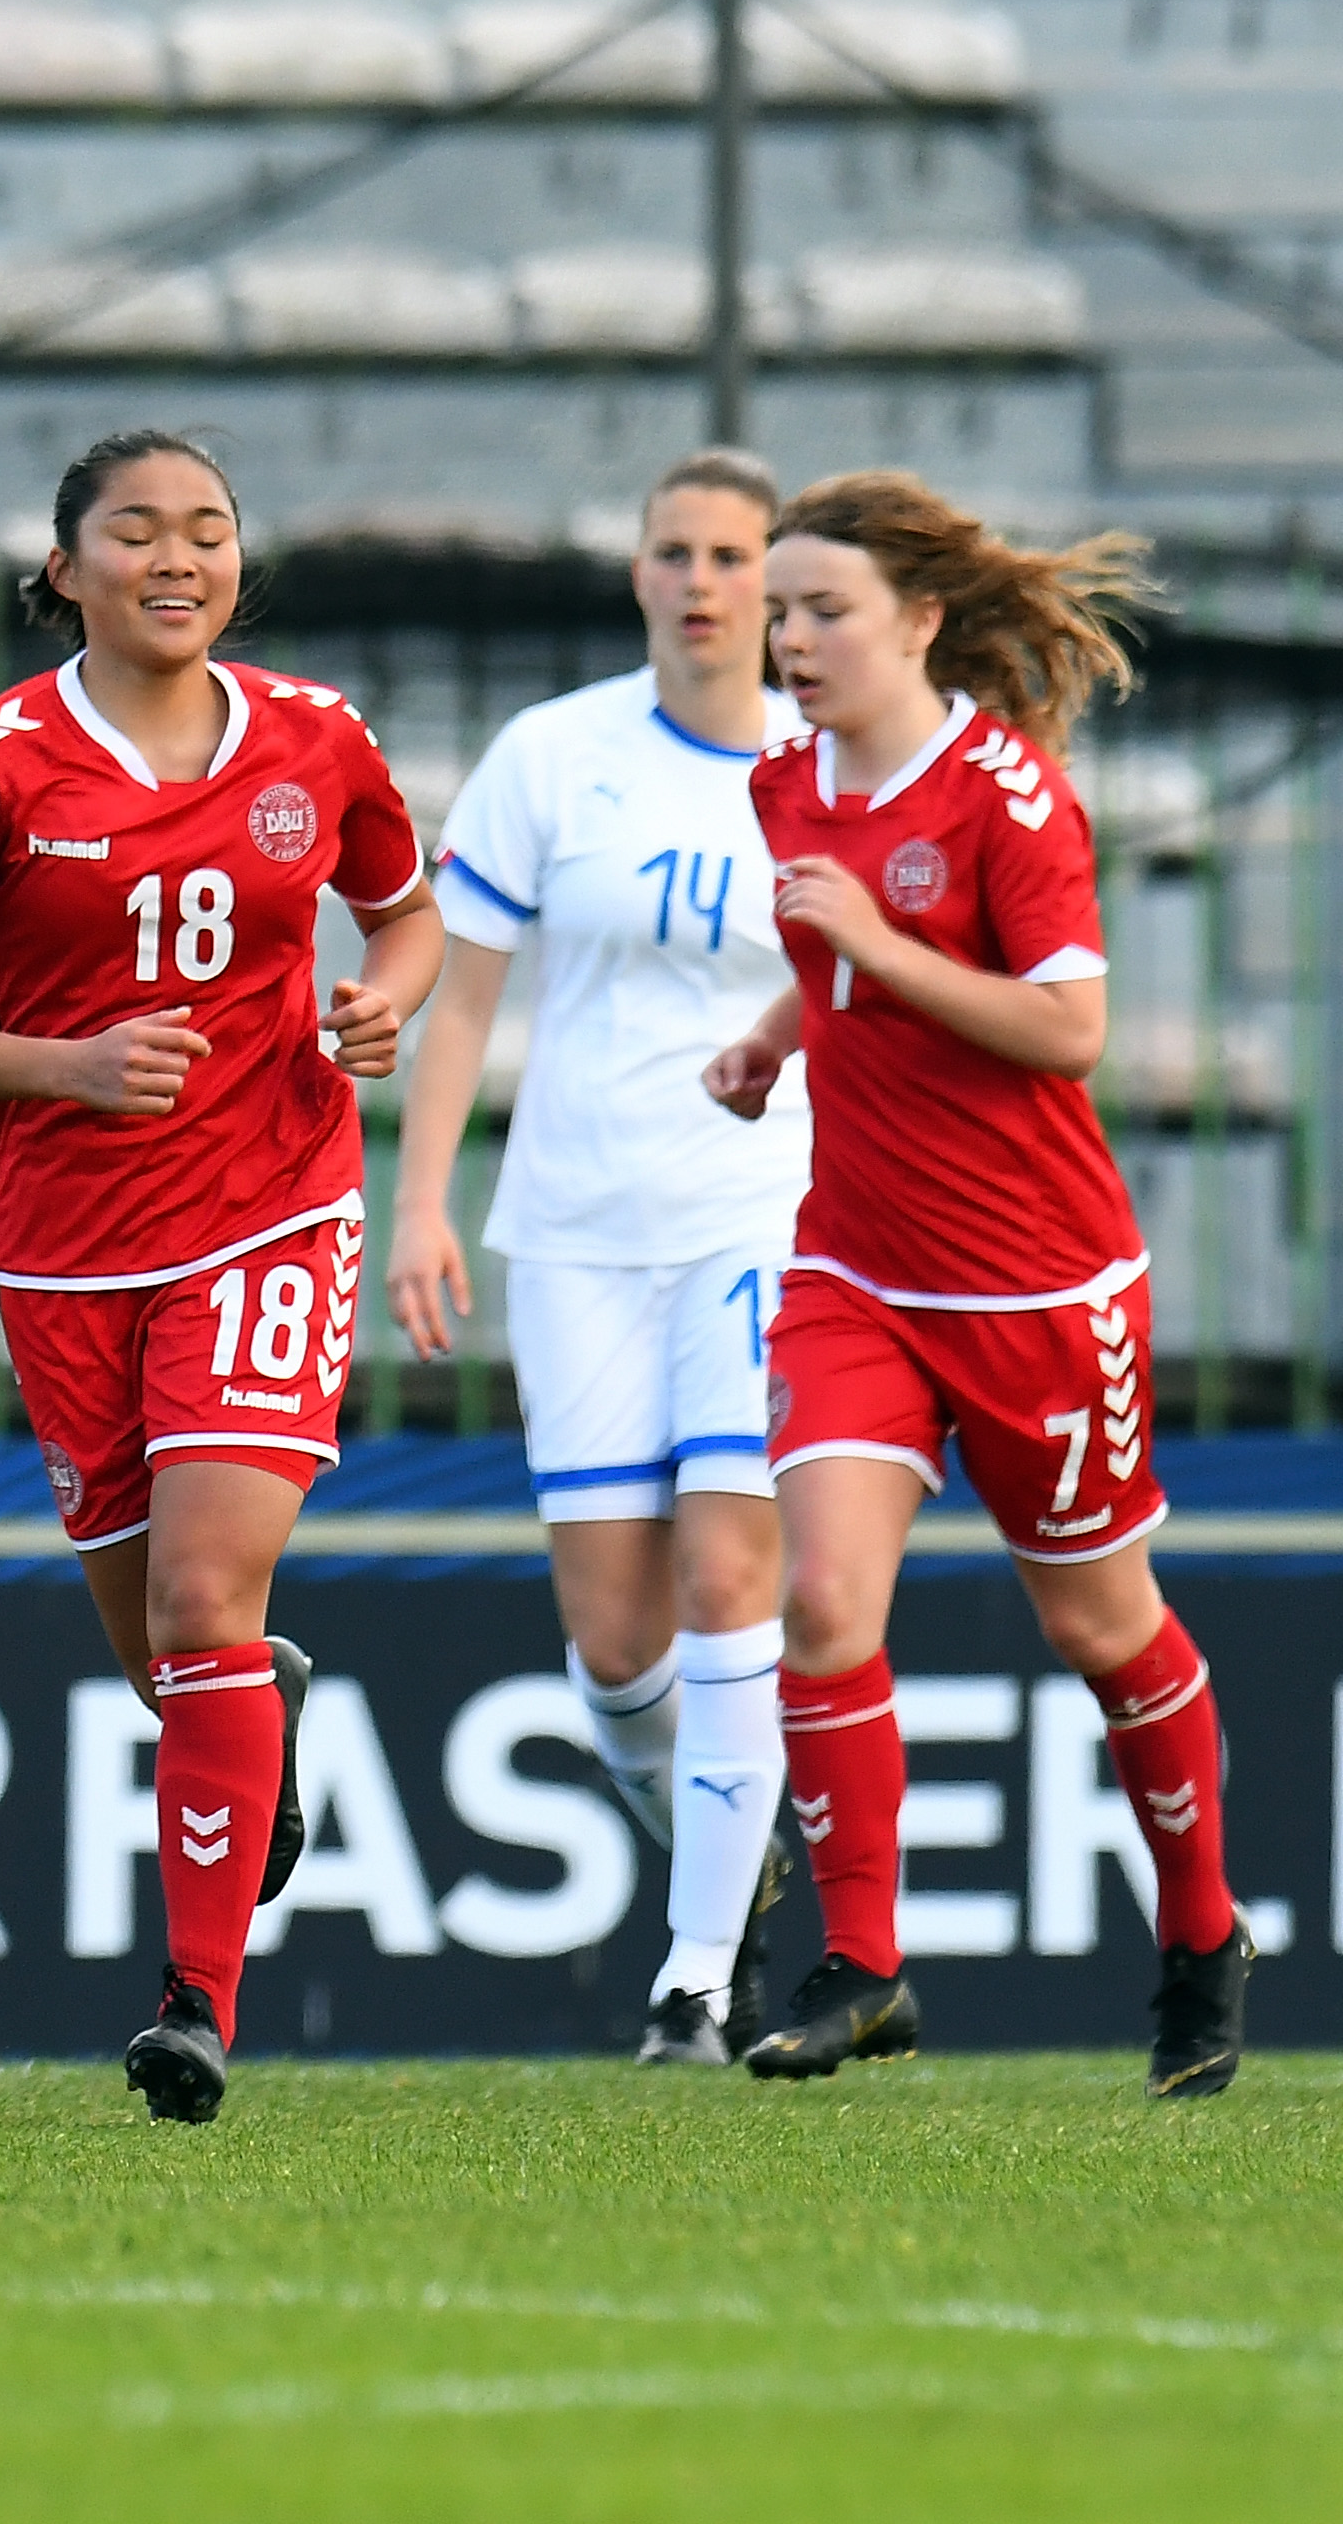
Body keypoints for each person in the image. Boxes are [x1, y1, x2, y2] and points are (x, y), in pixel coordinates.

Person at [0, 430, 438, 2125]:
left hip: (272, 1207)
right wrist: (66, 1065)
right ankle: (263, 1713)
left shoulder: (318, 736)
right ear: (66, 570)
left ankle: (193, 2007)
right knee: (169, 1649)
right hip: (68, 1246)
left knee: (198, 1600)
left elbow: (406, 915)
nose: (175, 557)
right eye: (134, 530)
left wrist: (381, 1001)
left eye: (207, 529)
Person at [704, 472, 1248, 2097]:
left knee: (1100, 1623)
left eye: (825, 610)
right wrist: (777, 1032)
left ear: (922, 619)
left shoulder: (1008, 798)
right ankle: (863, 1964)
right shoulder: (787, 783)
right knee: (821, 1602)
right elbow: (837, 962)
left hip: (1037, 1288)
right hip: (856, 1267)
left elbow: (1069, 1029)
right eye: (779, 613)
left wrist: (877, 945)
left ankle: (1202, 1936)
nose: (792, 641)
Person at [385, 447, 807, 2065]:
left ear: (774, 584)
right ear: (636, 572)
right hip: (574, 1229)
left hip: (761, 1214)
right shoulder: (552, 754)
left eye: (731, 556)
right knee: (618, 1649)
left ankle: (696, 1977)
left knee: (727, 1580)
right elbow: (463, 998)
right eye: (673, 552)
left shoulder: (823, 762)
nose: (701, 582)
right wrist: (421, 1200)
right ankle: (731, 1860)